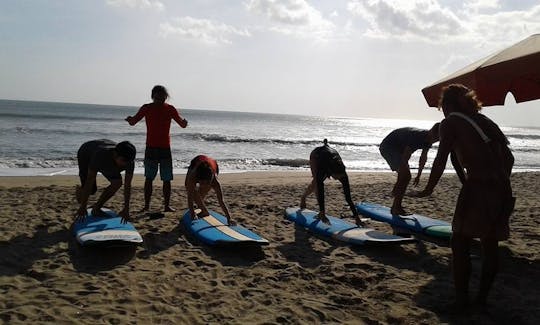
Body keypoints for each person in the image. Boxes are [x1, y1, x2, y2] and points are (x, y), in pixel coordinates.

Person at [412, 84, 514, 311]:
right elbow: (509, 158)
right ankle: (482, 300)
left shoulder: (450, 122)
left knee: (459, 242)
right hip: (503, 189)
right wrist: (497, 180)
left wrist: (428, 189)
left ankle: (461, 301)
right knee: (490, 245)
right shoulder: (486, 122)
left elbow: (441, 157)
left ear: (447, 105)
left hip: (478, 188)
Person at [125, 85, 188, 212]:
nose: (160, 99)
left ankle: (166, 206)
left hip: (165, 148)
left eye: (163, 97)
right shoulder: (146, 108)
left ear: (166, 97)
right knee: (149, 178)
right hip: (151, 148)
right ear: (153, 96)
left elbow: (181, 124)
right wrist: (130, 119)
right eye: (158, 97)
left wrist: (184, 123)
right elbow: (134, 122)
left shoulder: (170, 109)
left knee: (166, 179)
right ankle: (147, 206)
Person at [379, 123, 440, 216]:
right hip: (388, 146)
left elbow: (423, 158)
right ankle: (396, 207)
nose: (435, 140)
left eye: (438, 139)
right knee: (406, 176)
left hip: (399, 149)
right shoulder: (418, 136)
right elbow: (406, 156)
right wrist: (401, 176)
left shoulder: (428, 141)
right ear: (432, 131)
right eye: (436, 137)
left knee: (405, 177)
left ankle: (396, 206)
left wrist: (419, 175)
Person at [300, 139, 361, 225]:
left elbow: (348, 197)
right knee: (317, 183)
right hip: (317, 155)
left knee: (318, 183)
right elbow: (321, 190)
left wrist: (356, 217)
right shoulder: (323, 168)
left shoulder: (343, 174)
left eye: (340, 177)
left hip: (330, 156)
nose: (337, 179)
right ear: (332, 172)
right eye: (336, 177)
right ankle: (303, 198)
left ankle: (321, 212)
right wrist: (323, 212)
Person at [75, 139, 136, 223]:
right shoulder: (100, 156)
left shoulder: (129, 161)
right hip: (86, 153)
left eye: (128, 162)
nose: (125, 164)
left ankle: (96, 208)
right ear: (115, 155)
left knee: (117, 183)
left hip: (107, 158)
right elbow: (90, 179)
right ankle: (79, 190)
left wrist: (126, 208)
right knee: (92, 190)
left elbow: (127, 185)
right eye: (123, 161)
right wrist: (83, 206)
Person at [185, 155, 233, 225]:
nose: (204, 185)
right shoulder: (193, 176)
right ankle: (202, 208)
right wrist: (192, 213)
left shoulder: (215, 181)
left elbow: (221, 201)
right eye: (202, 183)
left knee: (202, 192)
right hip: (196, 163)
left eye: (206, 183)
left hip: (213, 165)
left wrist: (229, 218)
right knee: (189, 187)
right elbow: (190, 196)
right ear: (198, 179)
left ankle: (204, 211)